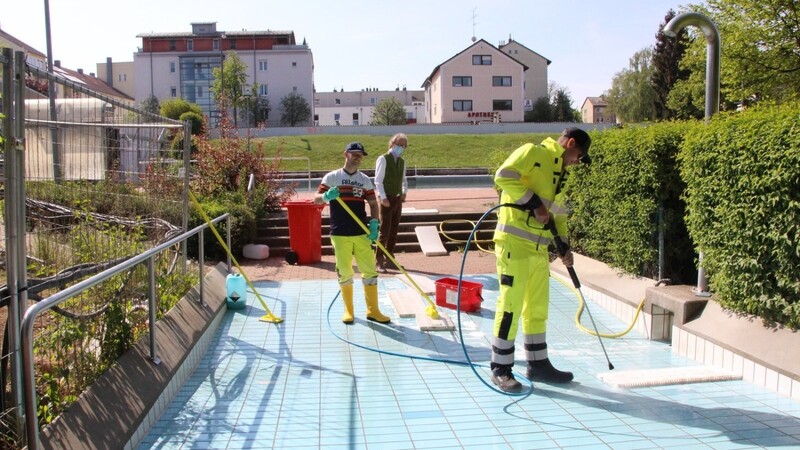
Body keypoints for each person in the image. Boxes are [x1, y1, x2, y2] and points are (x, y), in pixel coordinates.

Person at [489, 127, 592, 392]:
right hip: (514, 244)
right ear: (570, 143)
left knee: (537, 308)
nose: (577, 162)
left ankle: (538, 364)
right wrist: (534, 203)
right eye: (578, 155)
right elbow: (504, 176)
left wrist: (563, 246)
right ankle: (500, 368)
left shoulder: (560, 174)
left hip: (538, 250)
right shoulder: (533, 152)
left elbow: (558, 213)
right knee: (510, 304)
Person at [314, 142, 391, 324]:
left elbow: (373, 203)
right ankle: (348, 311)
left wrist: (374, 223)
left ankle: (373, 311)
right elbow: (316, 200)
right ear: (346, 154)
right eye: (354, 154)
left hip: (361, 232)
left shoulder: (364, 179)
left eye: (361, 155)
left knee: (369, 271)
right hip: (340, 233)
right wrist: (326, 197)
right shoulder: (332, 177)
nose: (358, 158)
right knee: (345, 271)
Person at [373, 133, 409, 273]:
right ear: (392, 143)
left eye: (404, 146)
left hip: (397, 198)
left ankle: (390, 258)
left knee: (394, 230)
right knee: (384, 231)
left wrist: (404, 192)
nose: (401, 148)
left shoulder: (402, 162)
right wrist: (383, 197)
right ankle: (379, 260)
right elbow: (378, 180)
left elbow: (404, 179)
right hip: (386, 198)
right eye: (399, 144)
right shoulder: (383, 159)